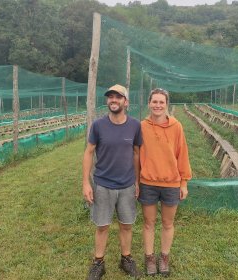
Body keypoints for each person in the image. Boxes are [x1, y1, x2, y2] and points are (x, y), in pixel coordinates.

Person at [82, 84, 142, 280]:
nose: (113, 100)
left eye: (118, 97)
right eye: (110, 97)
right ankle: (98, 263)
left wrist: (137, 181)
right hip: (103, 184)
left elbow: (136, 153)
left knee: (126, 224)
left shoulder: (134, 125)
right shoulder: (98, 125)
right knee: (102, 225)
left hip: (126, 185)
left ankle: (126, 259)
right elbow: (89, 152)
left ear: (126, 102)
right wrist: (86, 182)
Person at [138, 88, 192, 277]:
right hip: (148, 182)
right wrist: (136, 181)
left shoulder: (176, 127)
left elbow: (182, 154)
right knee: (148, 223)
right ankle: (149, 257)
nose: (158, 105)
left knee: (168, 223)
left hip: (171, 183)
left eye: (161, 102)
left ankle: (164, 257)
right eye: (155, 102)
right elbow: (136, 155)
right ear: (149, 103)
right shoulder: (142, 126)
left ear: (166, 104)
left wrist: (184, 182)